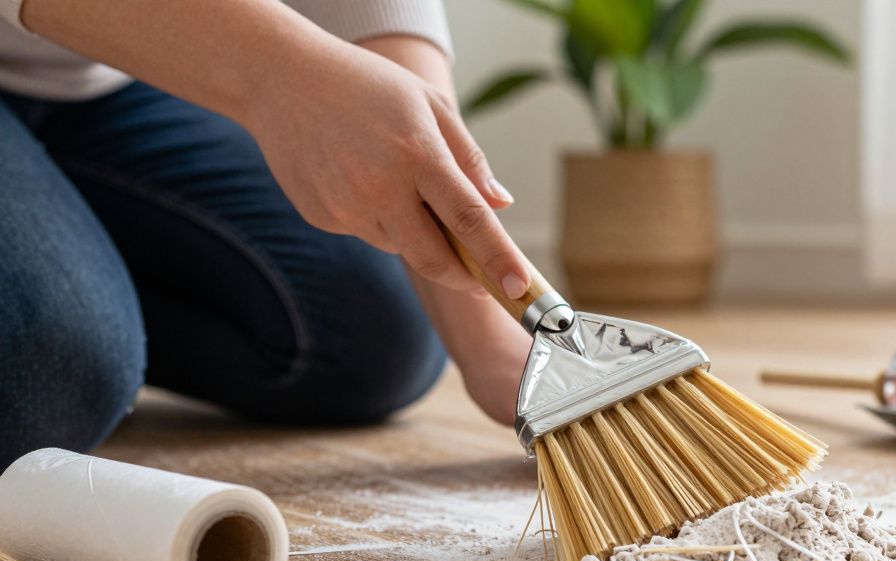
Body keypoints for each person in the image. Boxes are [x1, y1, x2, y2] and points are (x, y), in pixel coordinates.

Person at [0, 0, 535, 467]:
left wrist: (487, 338)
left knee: (375, 334)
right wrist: (277, 74)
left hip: (115, 63)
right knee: (48, 383)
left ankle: (70, 267)